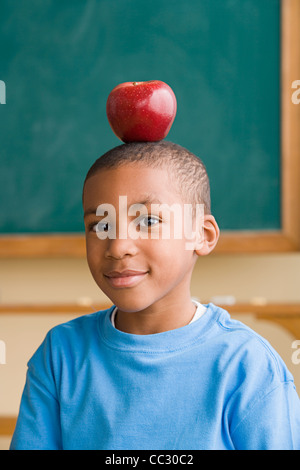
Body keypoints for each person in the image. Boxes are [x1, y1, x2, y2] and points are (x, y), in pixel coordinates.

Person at [10, 141, 300, 450]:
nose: (118, 245)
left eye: (148, 221)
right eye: (100, 225)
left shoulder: (246, 364)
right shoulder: (61, 354)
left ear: (202, 235)